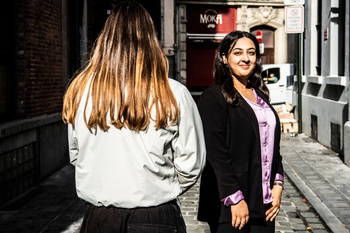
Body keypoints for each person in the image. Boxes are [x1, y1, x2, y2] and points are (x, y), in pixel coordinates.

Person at [62, 1, 206, 232]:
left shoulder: (80, 92)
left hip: (99, 219)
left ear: (105, 40)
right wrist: (157, 186)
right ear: (151, 41)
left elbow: (75, 154)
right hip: (156, 217)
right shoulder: (173, 93)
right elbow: (191, 163)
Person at [197, 30, 284, 233]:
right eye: (238, 52)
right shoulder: (214, 96)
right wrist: (234, 198)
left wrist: (278, 183)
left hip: (265, 202)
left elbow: (273, 146)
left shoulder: (260, 95)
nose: (245, 58)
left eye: (251, 53)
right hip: (231, 204)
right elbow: (215, 152)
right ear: (225, 58)